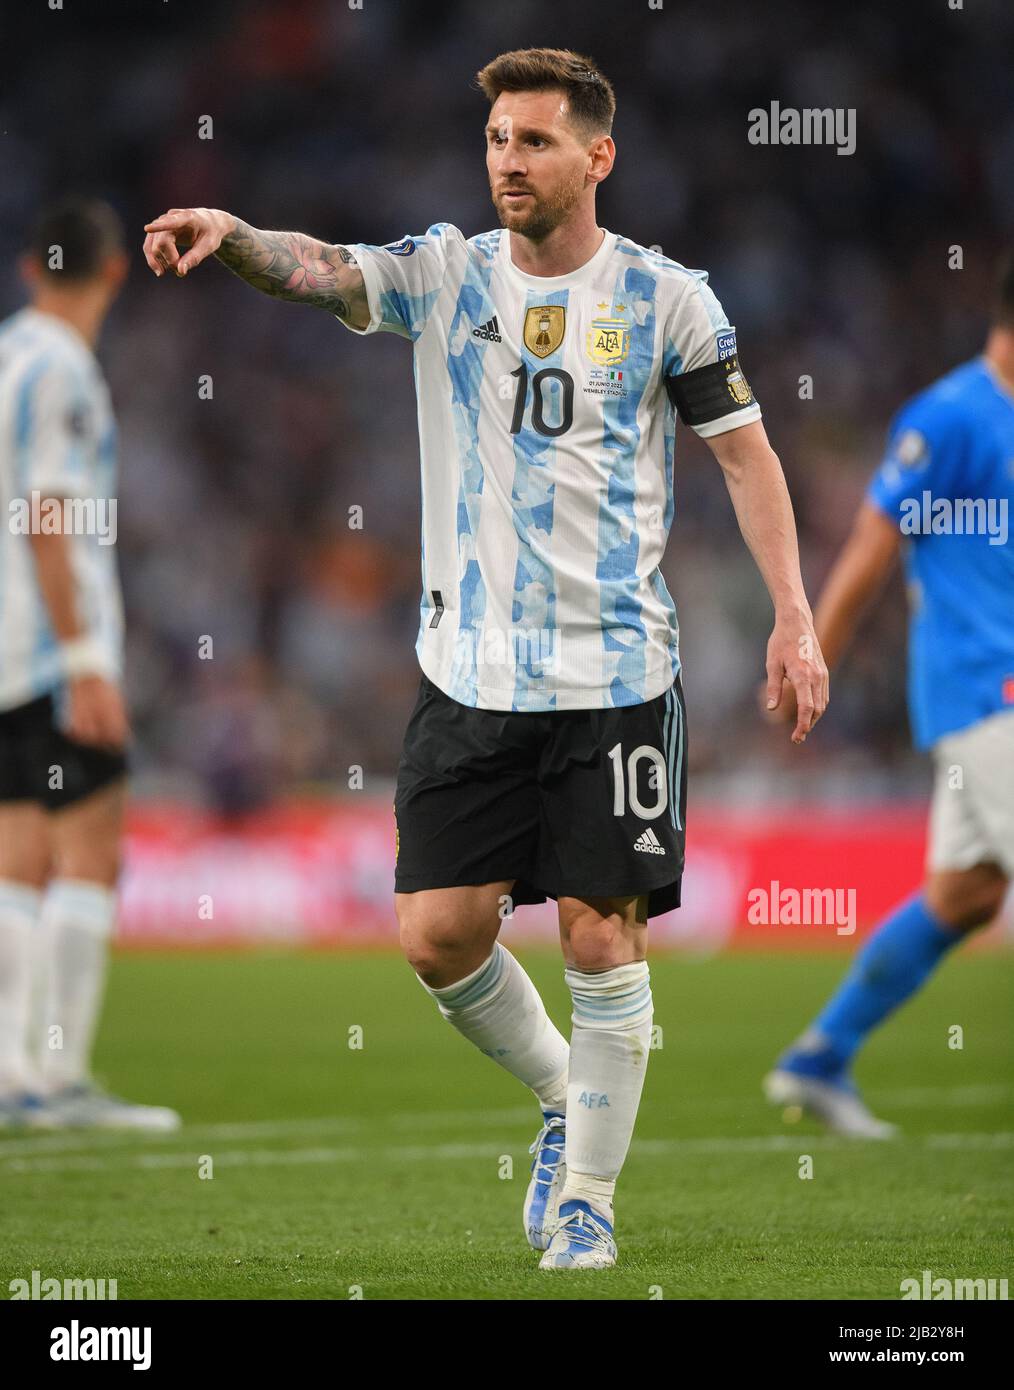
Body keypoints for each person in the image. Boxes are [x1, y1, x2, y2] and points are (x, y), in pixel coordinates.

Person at [143, 47, 826, 1269]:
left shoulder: (670, 301)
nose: (508, 161)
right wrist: (235, 230)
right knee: (437, 936)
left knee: (600, 935)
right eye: (498, 140)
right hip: (470, 676)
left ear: (597, 156)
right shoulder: (447, 277)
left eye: (535, 141)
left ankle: (588, 1205)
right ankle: (573, 1102)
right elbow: (323, 266)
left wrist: (794, 614)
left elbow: (746, 458)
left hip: (617, 679)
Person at [764, 253, 1014, 1139]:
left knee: (969, 894)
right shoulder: (954, 415)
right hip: (990, 690)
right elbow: (876, 539)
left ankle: (820, 1057)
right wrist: (808, 650)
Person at [0, 196, 179, 1132]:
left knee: (19, 854)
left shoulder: (6, 356)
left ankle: (12, 1071)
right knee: (90, 850)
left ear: (33, 268)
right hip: (44, 648)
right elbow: (48, 516)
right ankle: (58, 1077)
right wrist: (82, 658)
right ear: (114, 271)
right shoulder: (64, 371)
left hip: (2, 651)